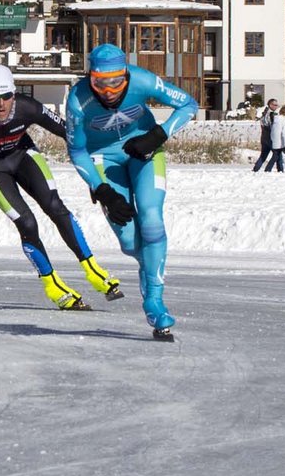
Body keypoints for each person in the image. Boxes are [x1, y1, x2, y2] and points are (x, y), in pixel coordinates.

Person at [0, 63, 120, 310]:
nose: (1, 104)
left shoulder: (29, 107)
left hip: (21, 154)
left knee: (54, 206)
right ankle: (53, 286)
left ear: (14, 93)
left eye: (7, 96)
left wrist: (94, 179)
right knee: (26, 222)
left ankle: (94, 271)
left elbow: (70, 134)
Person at [65, 44, 198, 341]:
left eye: (116, 81)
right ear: (91, 79)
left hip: (144, 150)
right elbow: (76, 150)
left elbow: (189, 104)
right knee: (130, 242)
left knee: (151, 220)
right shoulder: (77, 100)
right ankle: (149, 267)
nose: (109, 90)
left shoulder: (144, 80)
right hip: (103, 159)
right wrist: (101, 190)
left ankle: (154, 299)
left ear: (126, 75)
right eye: (100, 83)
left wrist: (158, 135)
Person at [250, 99, 280, 171]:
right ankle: (278, 170)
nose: (276, 106)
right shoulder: (271, 114)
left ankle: (256, 169)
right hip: (270, 137)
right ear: (270, 105)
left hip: (264, 137)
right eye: (275, 105)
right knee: (278, 154)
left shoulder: (264, 113)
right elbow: (273, 126)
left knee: (263, 155)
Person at [268, 104, 285, 171]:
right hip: (284, 143)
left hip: (277, 143)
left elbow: (273, 132)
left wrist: (273, 141)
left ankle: (267, 169)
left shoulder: (276, 120)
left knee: (274, 157)